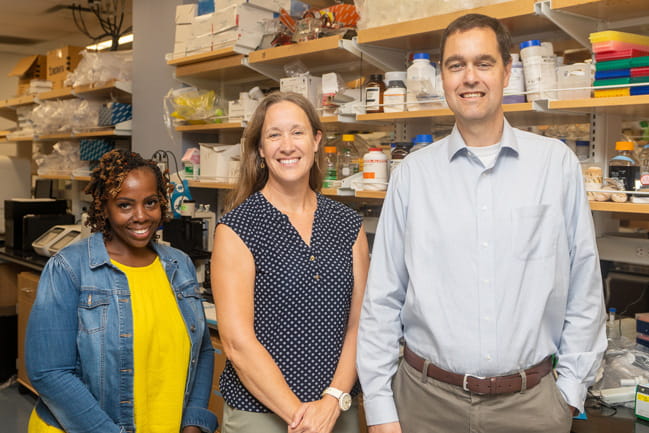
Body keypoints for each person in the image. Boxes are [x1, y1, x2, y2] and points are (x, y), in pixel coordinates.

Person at [357, 13, 607, 433]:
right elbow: (382, 299)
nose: (469, 77)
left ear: (508, 72)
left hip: (531, 406)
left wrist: (570, 392)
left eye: (484, 63)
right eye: (456, 65)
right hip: (425, 404)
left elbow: (584, 286)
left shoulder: (555, 164)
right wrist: (381, 409)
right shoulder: (412, 175)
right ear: (442, 77)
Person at [25, 150, 218, 433]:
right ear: (104, 207)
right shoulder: (70, 268)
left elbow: (201, 350)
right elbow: (49, 373)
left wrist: (193, 423)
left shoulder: (180, 265)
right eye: (125, 205)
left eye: (150, 202)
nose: (140, 216)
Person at [211, 91, 369, 433]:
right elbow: (238, 343)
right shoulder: (237, 228)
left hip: (337, 413)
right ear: (260, 150)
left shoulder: (348, 225)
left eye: (297, 132)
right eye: (274, 135)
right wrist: (301, 417)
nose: (287, 145)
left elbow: (359, 324)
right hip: (260, 415)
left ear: (315, 141)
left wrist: (332, 400)